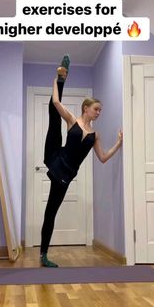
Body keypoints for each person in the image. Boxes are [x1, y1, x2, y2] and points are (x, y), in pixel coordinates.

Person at [40, 55, 123, 267]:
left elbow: (103, 158)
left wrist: (118, 144)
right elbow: (56, 101)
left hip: (66, 175)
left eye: (100, 111)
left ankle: (43, 255)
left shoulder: (96, 136)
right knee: (53, 115)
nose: (99, 113)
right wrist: (57, 78)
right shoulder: (72, 120)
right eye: (96, 109)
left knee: (51, 211)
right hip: (56, 156)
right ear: (86, 108)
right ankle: (62, 77)